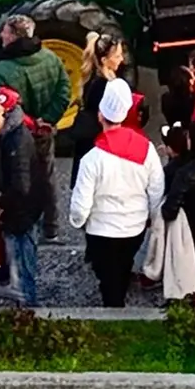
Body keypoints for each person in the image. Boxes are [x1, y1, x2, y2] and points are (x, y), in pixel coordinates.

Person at [67, 84, 166, 305]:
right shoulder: (147, 149)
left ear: (101, 115)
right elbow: (156, 189)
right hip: (134, 226)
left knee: (107, 278)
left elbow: (80, 205)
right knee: (123, 266)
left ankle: (113, 308)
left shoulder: (92, 159)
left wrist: (78, 221)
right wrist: (151, 216)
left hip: (101, 230)